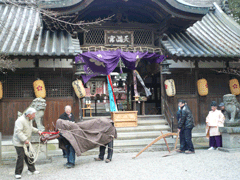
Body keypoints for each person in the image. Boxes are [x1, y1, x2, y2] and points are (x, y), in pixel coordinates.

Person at [12, 108, 42, 179]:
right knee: (21, 157)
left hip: (26, 142)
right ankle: (17, 173)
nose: (34, 116)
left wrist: (38, 131)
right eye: (33, 115)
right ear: (28, 115)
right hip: (19, 142)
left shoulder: (29, 120)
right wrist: (25, 139)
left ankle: (31, 170)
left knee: (29, 156)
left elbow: (30, 128)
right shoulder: (20, 120)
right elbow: (18, 132)